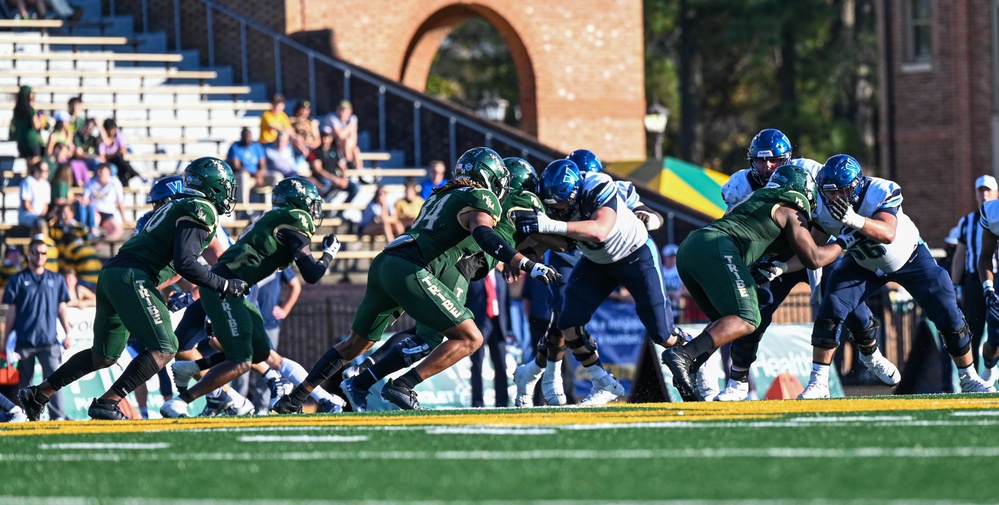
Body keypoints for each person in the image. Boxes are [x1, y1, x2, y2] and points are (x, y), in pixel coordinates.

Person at [273, 147, 560, 413]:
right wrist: (523, 262)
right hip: (411, 268)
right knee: (471, 338)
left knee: (354, 345)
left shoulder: (440, 194)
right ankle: (402, 385)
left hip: (386, 262)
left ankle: (295, 398)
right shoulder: (480, 197)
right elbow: (484, 233)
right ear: (486, 178)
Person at [17, 157, 248, 421]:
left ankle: (38, 394)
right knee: (165, 346)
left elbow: (175, 262)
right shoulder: (201, 208)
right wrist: (224, 285)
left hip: (114, 272)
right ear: (214, 186)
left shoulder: (178, 206)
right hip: (133, 275)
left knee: (103, 355)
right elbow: (186, 262)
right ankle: (108, 402)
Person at [796, 155, 993, 398]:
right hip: (863, 262)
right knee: (831, 307)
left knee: (948, 311)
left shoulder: (879, 190)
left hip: (909, 258)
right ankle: (819, 382)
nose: (835, 197)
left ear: (856, 185)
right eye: (830, 191)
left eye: (842, 191)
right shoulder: (824, 205)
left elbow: (888, 233)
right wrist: (782, 265)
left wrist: (853, 220)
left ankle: (969, 377)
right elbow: (813, 249)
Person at [661, 164, 849, 401]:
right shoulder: (791, 211)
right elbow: (814, 259)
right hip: (718, 247)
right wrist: (843, 241)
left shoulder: (755, 197)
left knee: (727, 321)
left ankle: (692, 367)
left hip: (691, 247)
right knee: (749, 318)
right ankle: (685, 355)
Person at [160, 177, 340, 418]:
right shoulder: (295, 219)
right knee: (242, 360)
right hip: (227, 289)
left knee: (261, 353)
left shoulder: (270, 219)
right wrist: (328, 253)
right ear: (300, 203)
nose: (313, 211)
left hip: (234, 288)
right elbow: (312, 274)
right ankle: (181, 401)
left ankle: (194, 366)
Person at [512, 157, 675, 406]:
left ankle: (694, 352)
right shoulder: (552, 200)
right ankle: (602, 382)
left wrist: (646, 218)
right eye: (552, 204)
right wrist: (523, 255)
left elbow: (600, 230)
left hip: (630, 254)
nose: (558, 208)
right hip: (591, 258)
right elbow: (557, 240)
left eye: (563, 202)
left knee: (661, 332)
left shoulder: (602, 186)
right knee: (566, 320)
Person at [3, 238, 71, 420]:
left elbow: (61, 308)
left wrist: (68, 332)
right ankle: (26, 417)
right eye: (36, 252)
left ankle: (58, 416)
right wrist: (5, 339)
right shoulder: (17, 280)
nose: (40, 256)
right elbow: (11, 313)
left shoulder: (56, 279)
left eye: (43, 253)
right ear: (29, 254)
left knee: (55, 382)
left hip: (49, 341)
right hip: (25, 341)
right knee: (25, 385)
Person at [950, 175, 999, 372]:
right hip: (976, 280)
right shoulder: (968, 222)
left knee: (995, 336)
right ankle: (973, 378)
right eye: (980, 190)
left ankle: (987, 368)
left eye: (988, 190)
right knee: (972, 331)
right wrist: (955, 286)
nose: (984, 194)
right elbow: (960, 255)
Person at [467, 269, 510, 407]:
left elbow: (506, 302)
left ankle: (502, 401)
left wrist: (509, 329)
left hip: (498, 325)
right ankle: (477, 401)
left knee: (501, 364)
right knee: (477, 364)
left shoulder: (501, 275)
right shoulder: (473, 276)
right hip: (478, 325)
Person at [307, 128, 359, 205]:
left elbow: (342, 166)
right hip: (323, 178)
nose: (325, 139)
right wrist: (335, 179)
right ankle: (324, 206)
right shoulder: (315, 152)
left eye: (327, 136)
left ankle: (340, 211)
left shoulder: (334, 151)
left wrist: (343, 178)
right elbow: (318, 170)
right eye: (323, 136)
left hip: (335, 177)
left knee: (354, 187)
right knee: (327, 185)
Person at [81, 163, 126, 241]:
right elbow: (85, 200)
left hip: (108, 213)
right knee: (93, 227)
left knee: (118, 231)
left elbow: (120, 202)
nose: (99, 173)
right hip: (94, 211)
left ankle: (97, 246)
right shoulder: (90, 183)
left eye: (101, 170)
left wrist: (124, 218)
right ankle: (91, 240)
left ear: (108, 171)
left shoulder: (115, 182)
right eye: (98, 170)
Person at [225, 127, 268, 208]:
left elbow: (263, 165)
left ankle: (275, 209)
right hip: (245, 177)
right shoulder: (235, 147)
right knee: (243, 176)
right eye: (245, 136)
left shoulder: (257, 146)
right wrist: (254, 174)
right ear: (241, 136)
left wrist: (260, 173)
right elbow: (236, 167)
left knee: (276, 176)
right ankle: (243, 209)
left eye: (249, 135)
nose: (247, 138)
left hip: (258, 177)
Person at [99, 118, 142, 186]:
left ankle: (128, 179)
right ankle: (134, 173)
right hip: (109, 160)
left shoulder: (118, 134)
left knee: (120, 163)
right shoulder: (101, 139)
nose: (113, 131)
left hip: (118, 159)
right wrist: (114, 154)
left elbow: (123, 148)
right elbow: (102, 156)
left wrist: (120, 151)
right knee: (120, 163)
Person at [324, 99, 363, 169]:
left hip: (346, 146)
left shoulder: (353, 119)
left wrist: (347, 131)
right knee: (346, 141)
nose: (342, 113)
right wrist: (350, 126)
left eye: (344, 111)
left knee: (355, 150)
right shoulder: (332, 117)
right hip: (331, 145)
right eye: (340, 110)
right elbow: (340, 135)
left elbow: (354, 140)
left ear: (350, 111)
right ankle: (349, 164)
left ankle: (360, 173)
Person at [11, 85, 44, 166]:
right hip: (31, 141)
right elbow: (36, 125)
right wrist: (42, 120)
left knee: (28, 164)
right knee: (35, 164)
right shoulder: (30, 110)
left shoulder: (16, 110)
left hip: (21, 141)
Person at [18, 161, 51, 227]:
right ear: (36, 170)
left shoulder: (46, 184)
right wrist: (36, 215)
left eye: (47, 171)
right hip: (27, 215)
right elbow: (26, 205)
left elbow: (45, 205)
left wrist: (42, 216)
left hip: (40, 216)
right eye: (44, 171)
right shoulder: (28, 181)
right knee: (39, 222)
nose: (47, 173)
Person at [660, 244, 686, 323]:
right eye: (670, 256)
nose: (672, 259)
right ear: (664, 257)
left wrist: (678, 294)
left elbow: (686, 288)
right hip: (664, 304)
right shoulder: (660, 270)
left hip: (678, 304)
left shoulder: (680, 270)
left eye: (674, 256)